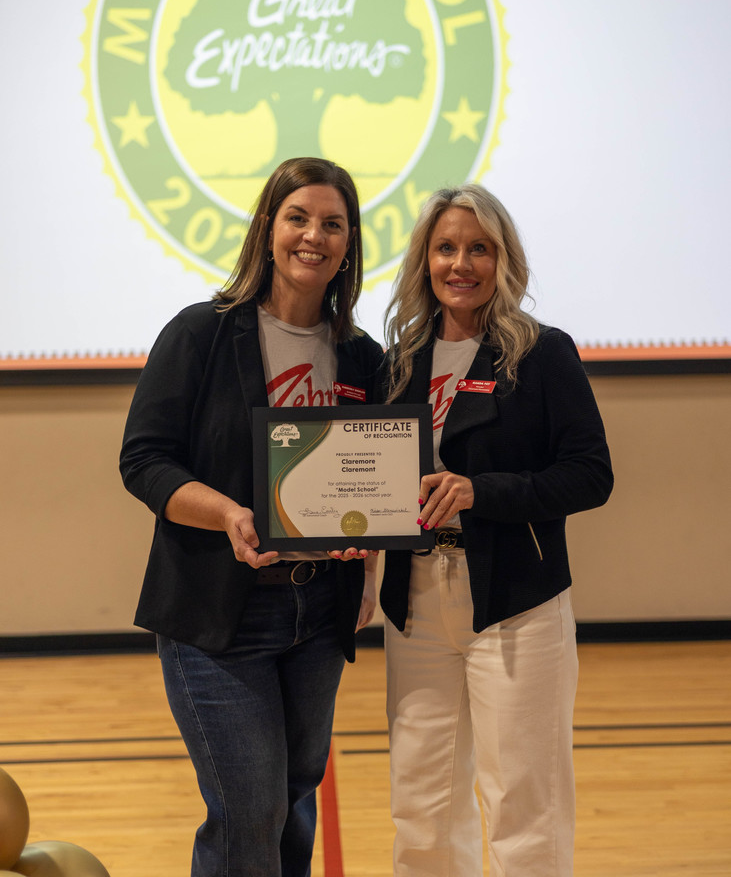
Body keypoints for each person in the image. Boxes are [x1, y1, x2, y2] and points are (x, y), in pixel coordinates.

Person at [120, 157, 383, 877]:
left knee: (294, 796)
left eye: (333, 224)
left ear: (349, 243)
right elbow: (144, 462)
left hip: (318, 616)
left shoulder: (362, 356)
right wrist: (230, 513)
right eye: (298, 217)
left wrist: (368, 575)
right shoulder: (201, 334)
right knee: (249, 808)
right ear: (268, 227)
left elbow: (376, 478)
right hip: (218, 612)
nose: (314, 236)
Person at [379, 183, 613, 876]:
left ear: (503, 259)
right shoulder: (398, 361)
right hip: (415, 603)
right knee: (421, 804)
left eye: (478, 248)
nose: (461, 263)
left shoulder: (542, 354)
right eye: (445, 248)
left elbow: (589, 475)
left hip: (516, 604)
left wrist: (480, 492)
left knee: (522, 803)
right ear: (424, 260)